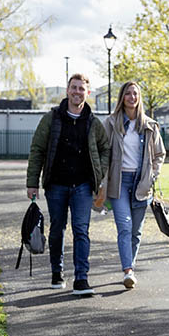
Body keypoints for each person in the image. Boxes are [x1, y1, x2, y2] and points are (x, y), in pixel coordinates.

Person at [26, 73, 111, 296]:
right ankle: (57, 271)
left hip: (83, 186)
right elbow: (37, 150)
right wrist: (32, 182)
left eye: (81, 89)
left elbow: (105, 149)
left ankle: (81, 279)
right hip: (56, 185)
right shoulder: (52, 118)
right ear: (67, 90)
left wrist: (99, 173)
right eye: (73, 88)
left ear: (87, 93)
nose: (77, 92)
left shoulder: (93, 123)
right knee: (57, 229)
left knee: (81, 230)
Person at [99, 81, 166, 289]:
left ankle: (131, 266)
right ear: (122, 97)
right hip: (118, 184)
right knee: (125, 227)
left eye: (135, 93)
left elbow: (159, 154)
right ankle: (128, 270)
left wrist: (152, 175)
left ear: (139, 98)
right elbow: (102, 152)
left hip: (141, 184)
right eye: (128, 93)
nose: (132, 97)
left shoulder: (149, 125)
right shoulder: (110, 124)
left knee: (136, 232)